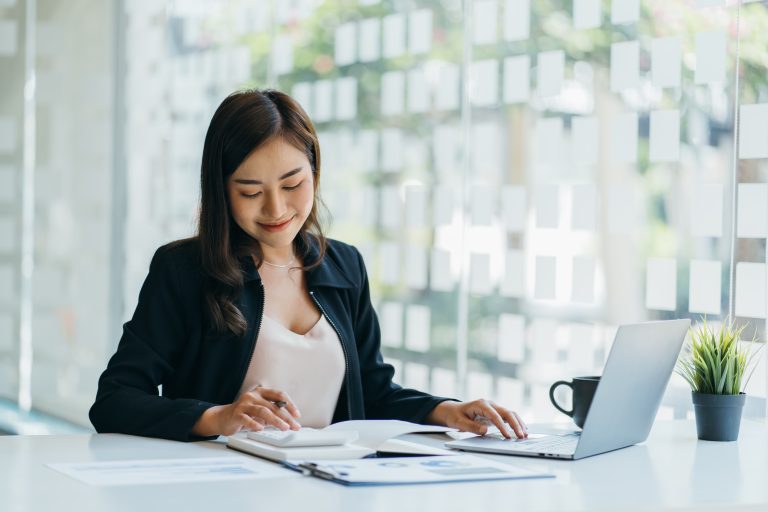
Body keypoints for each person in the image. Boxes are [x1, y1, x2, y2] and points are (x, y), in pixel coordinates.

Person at [89, 89, 528, 442]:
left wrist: (445, 411)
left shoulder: (344, 265)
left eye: (292, 183)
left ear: (314, 171)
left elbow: (371, 392)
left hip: (328, 489)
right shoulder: (185, 270)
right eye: (249, 191)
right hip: (220, 491)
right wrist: (217, 417)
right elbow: (114, 400)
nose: (276, 208)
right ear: (221, 191)